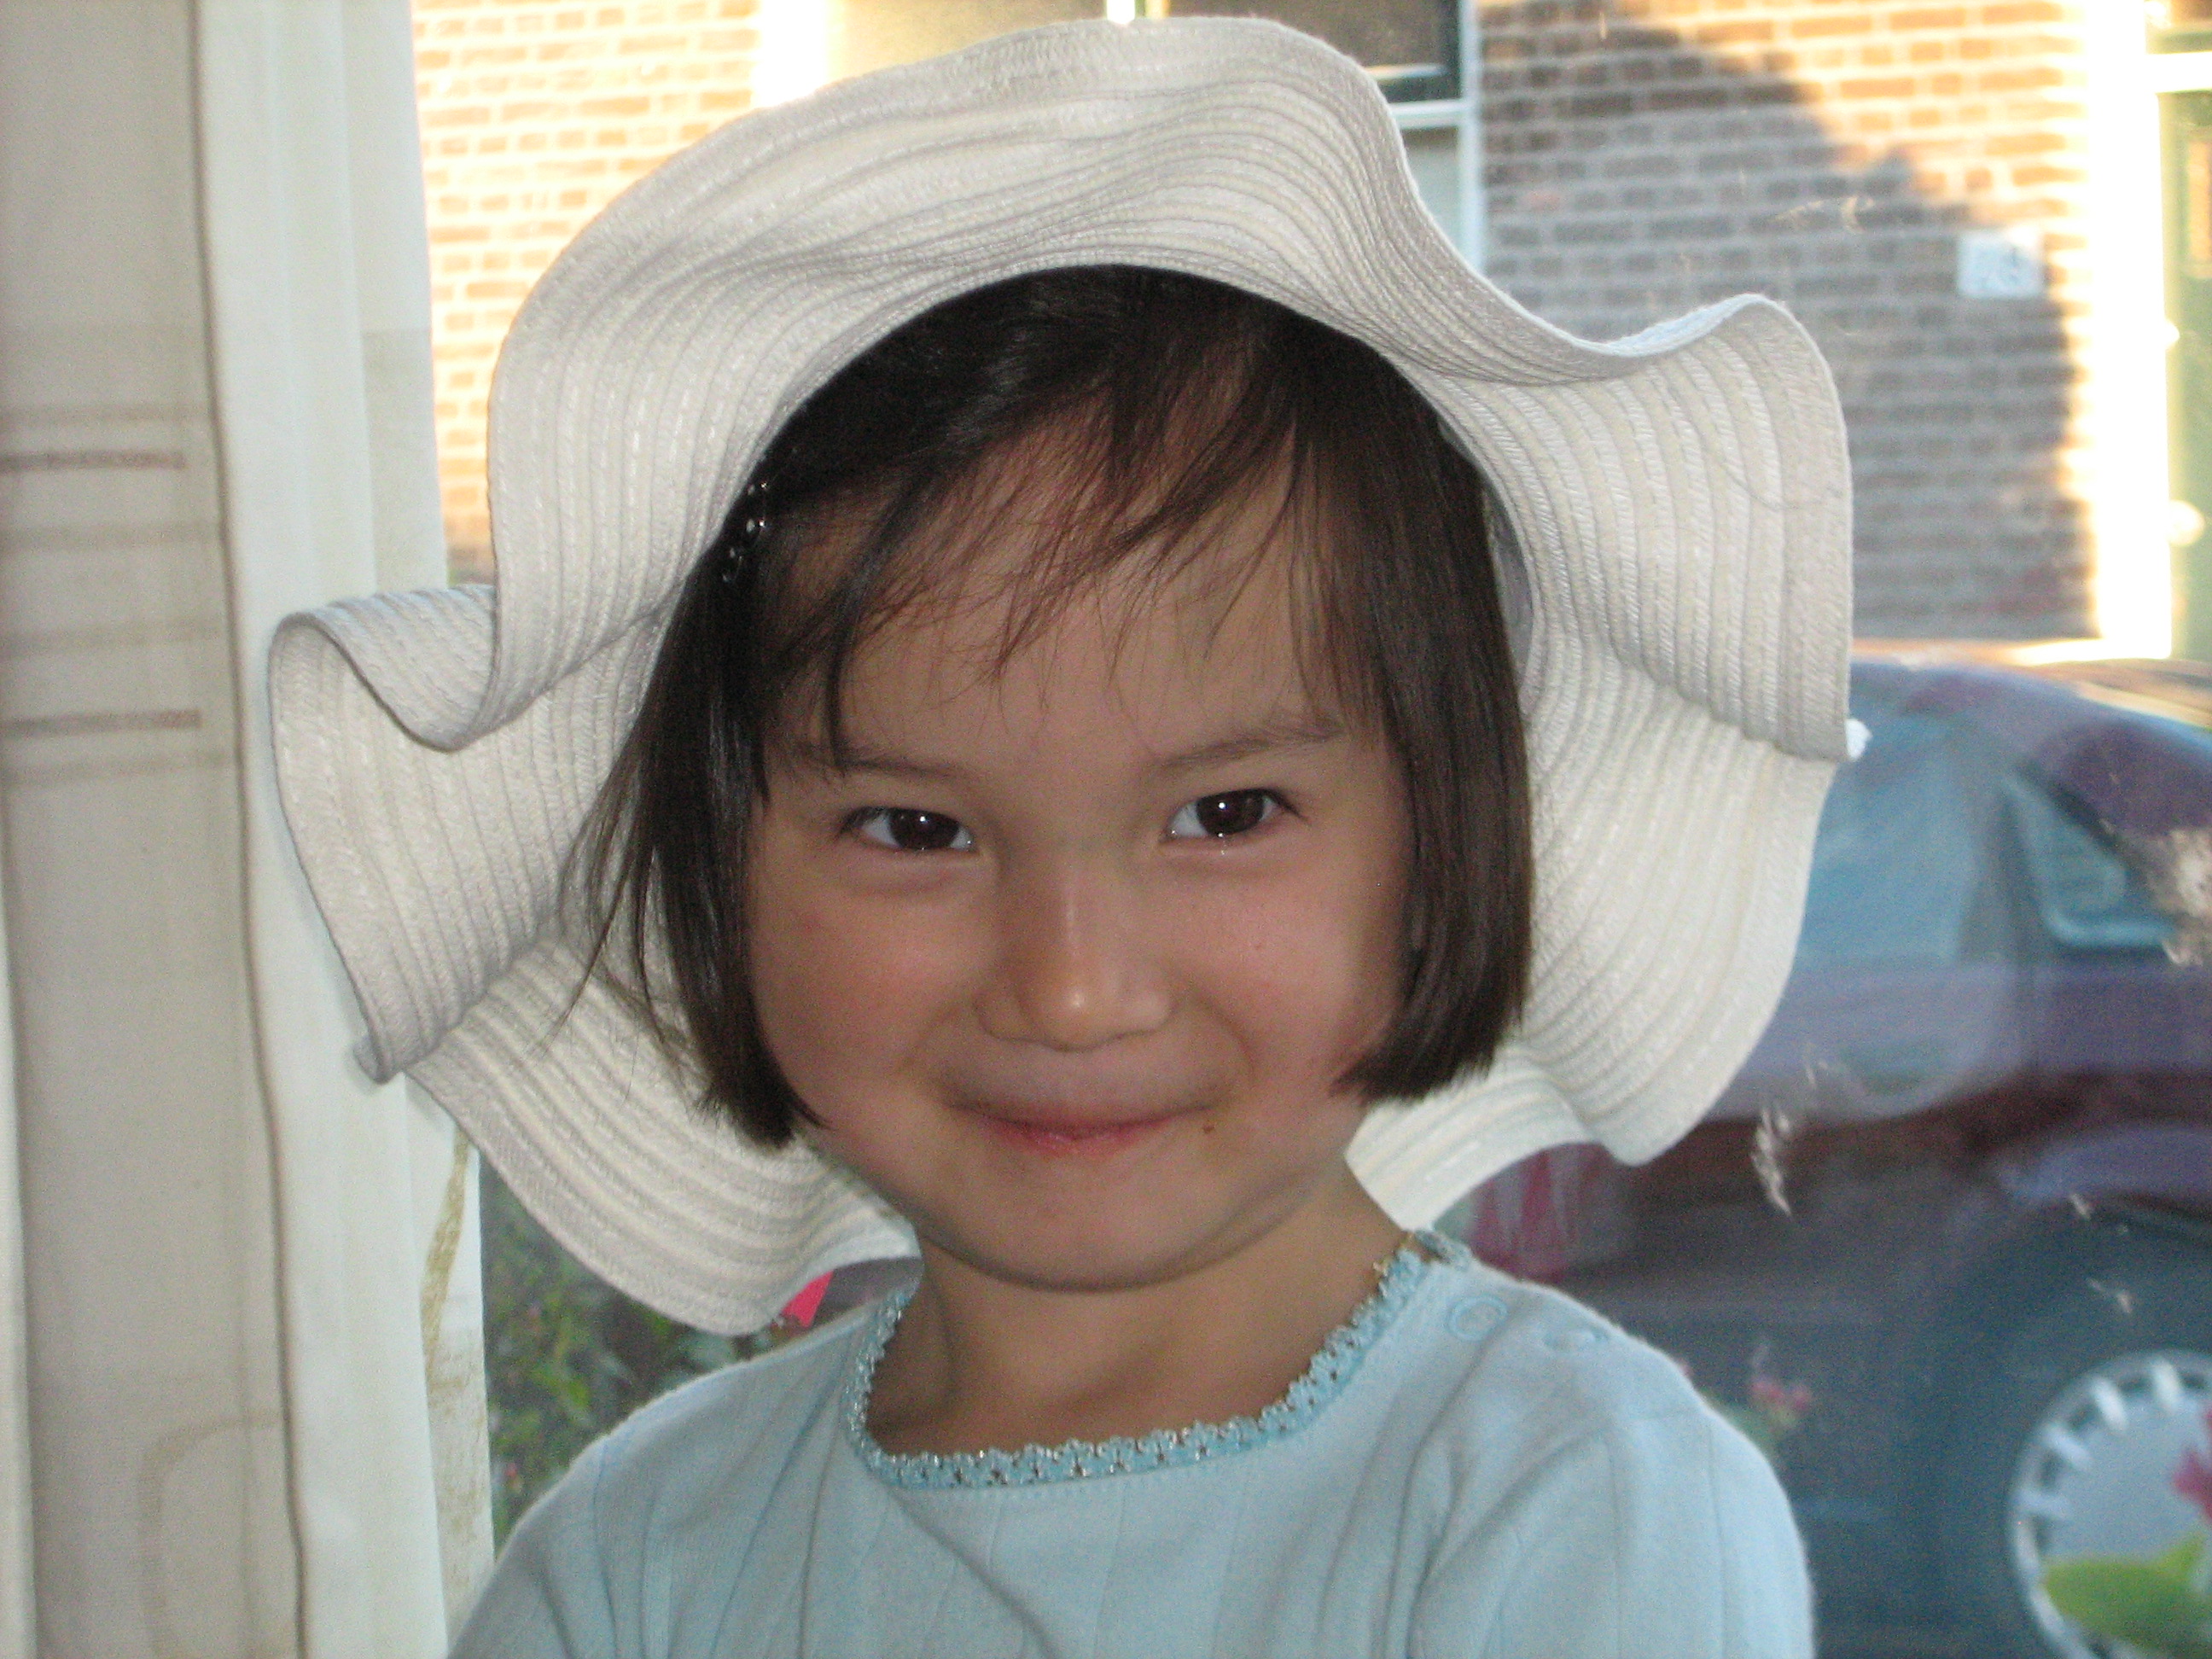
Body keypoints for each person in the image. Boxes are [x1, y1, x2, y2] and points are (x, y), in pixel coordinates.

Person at [268, 17, 1852, 1658]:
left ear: (1443, 841)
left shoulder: (1566, 1504)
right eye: (915, 829)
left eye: (1224, 814)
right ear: (719, 877)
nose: (1072, 989)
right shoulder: (635, 1562)